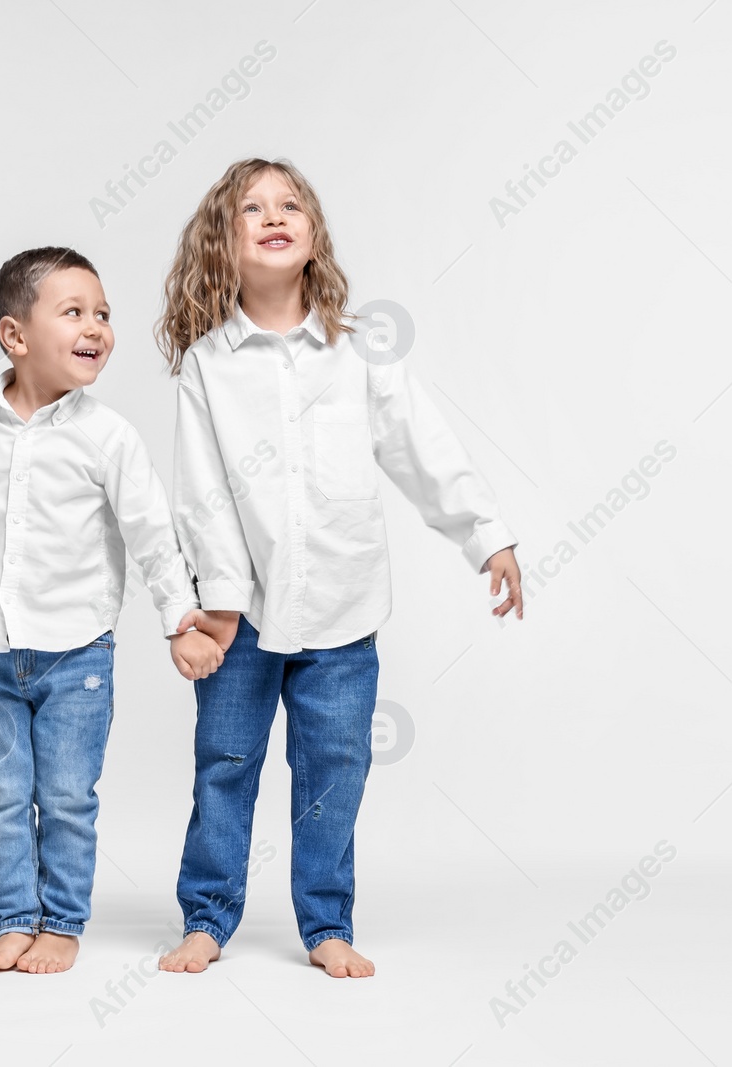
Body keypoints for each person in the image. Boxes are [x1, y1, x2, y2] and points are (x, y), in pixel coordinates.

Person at [154, 159, 524, 978]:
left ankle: (325, 922)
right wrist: (215, 601)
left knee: (334, 771)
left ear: (313, 233)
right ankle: (207, 916)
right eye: (252, 208)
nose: (274, 215)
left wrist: (485, 535)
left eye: (290, 204)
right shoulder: (208, 365)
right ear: (224, 240)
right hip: (240, 614)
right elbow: (202, 496)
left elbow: (424, 450)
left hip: (344, 609)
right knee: (224, 763)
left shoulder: (357, 356)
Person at [0, 247, 232, 974]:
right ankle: (14, 918)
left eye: (102, 313)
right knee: (2, 794)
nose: (97, 325)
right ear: (15, 335)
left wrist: (180, 620)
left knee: (65, 796)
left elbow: (154, 536)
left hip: (77, 657)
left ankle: (61, 923)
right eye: (74, 312)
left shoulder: (108, 435)